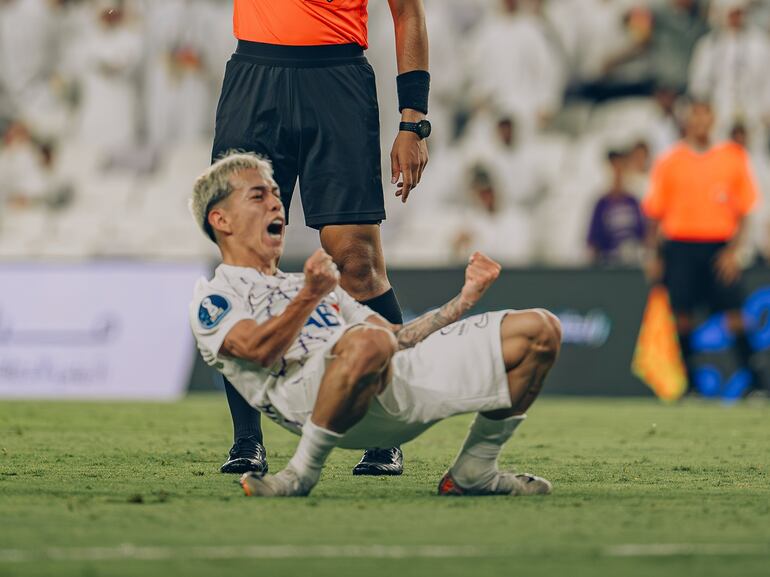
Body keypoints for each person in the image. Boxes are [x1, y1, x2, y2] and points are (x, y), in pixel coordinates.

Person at [188, 152, 561, 497]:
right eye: (258, 196)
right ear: (221, 220)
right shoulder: (215, 296)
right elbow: (255, 350)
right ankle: (299, 474)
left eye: (275, 193)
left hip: (384, 373)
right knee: (367, 342)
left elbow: (394, 337)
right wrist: (310, 296)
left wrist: (461, 302)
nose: (275, 202)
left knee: (538, 330)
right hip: (314, 401)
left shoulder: (307, 282)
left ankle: (474, 470)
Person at [209, 0, 431, 477]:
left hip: (337, 80)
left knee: (357, 262)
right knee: (243, 259)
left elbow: (407, 11)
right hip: (255, 75)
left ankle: (387, 432)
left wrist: (413, 122)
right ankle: (246, 440)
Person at [643, 99, 766, 397]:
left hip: (718, 247)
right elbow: (655, 214)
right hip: (680, 247)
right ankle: (691, 384)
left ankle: (755, 382)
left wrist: (733, 252)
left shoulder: (732, 157)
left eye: (705, 115)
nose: (700, 122)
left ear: (713, 119)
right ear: (687, 120)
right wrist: (654, 255)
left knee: (735, 315)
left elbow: (745, 211)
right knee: (682, 316)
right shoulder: (670, 161)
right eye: (694, 116)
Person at [587, 150, 645, 265]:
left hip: (631, 264)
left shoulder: (633, 202)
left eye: (622, 167)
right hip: (608, 265)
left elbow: (643, 235)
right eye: (615, 168)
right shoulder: (602, 204)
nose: (618, 173)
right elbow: (593, 242)